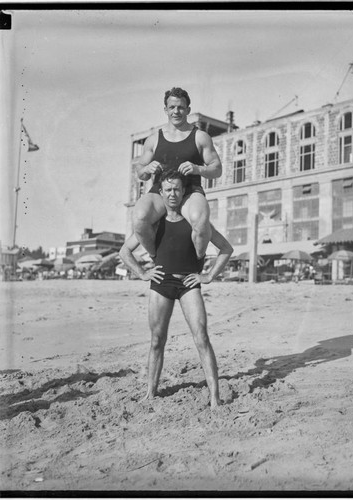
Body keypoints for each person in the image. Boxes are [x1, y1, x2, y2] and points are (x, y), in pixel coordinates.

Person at [120, 170, 233, 409]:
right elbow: (124, 252)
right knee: (156, 340)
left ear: (184, 192)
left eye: (177, 189)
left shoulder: (196, 222)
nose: (173, 194)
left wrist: (209, 275)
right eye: (168, 190)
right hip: (160, 285)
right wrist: (142, 273)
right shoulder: (154, 224)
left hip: (189, 285)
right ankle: (150, 393)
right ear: (160, 193)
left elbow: (226, 248)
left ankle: (215, 397)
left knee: (201, 337)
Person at [132, 87, 222, 261]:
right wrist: (147, 169)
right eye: (172, 107)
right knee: (139, 218)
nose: (176, 111)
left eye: (180, 107)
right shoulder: (154, 139)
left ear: (188, 110)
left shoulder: (200, 137)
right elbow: (140, 173)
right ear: (165, 110)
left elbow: (217, 169)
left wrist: (198, 169)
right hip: (161, 190)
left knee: (201, 221)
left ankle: (196, 261)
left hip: (190, 190)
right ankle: (155, 256)